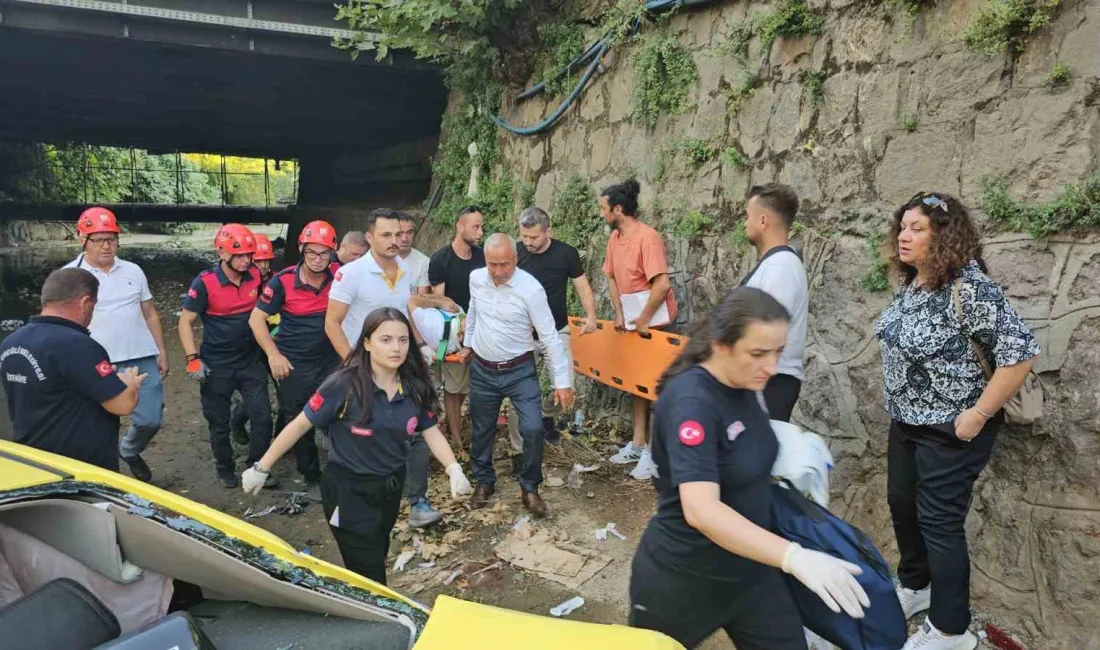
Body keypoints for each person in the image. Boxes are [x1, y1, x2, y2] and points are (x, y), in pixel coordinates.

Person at [629, 287, 868, 650]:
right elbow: (701, 510)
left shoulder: (744, 381)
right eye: (758, 353)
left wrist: (792, 453)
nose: (772, 367)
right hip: (684, 577)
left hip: (751, 571)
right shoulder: (692, 401)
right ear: (721, 345)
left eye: (777, 353)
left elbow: (736, 451)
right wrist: (794, 557)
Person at [875, 193, 1039, 650]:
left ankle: (951, 629)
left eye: (917, 228)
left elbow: (1019, 354)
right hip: (906, 422)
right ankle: (916, 586)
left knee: (939, 523)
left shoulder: (971, 287)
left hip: (954, 429)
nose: (904, 236)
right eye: (902, 226)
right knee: (901, 503)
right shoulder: (914, 283)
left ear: (943, 236)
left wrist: (978, 415)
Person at [241, 308, 473, 584]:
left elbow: (430, 430)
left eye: (403, 340)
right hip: (348, 490)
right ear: (366, 343)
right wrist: (262, 466)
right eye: (385, 340)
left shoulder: (413, 386)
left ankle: (372, 603)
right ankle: (376, 614)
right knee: (368, 567)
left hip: (390, 485)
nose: (396, 348)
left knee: (379, 548)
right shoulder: (344, 385)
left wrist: (453, 468)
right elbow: (301, 424)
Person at [327, 208, 441, 528]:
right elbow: (332, 324)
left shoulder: (404, 268)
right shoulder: (351, 274)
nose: (395, 241)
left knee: (415, 429)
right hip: (362, 371)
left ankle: (417, 501)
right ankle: (352, 502)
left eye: (398, 234)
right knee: (362, 433)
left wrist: (419, 349)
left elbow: (407, 313)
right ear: (369, 237)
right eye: (386, 235)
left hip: (399, 366)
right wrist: (353, 365)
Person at [460, 234, 574, 518]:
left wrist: (562, 382)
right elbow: (474, 311)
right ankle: (484, 481)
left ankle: (530, 487)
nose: (498, 272)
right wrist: (468, 344)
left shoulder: (530, 289)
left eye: (505, 265)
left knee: (533, 428)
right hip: (483, 370)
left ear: (516, 259)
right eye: (492, 264)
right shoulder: (476, 278)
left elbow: (549, 337)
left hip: (520, 370)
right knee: (482, 429)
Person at [1, 268, 146, 471]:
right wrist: (129, 383)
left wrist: (97, 378)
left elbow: (53, 386)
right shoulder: (78, 345)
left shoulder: (12, 342)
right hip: (81, 467)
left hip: (33, 460)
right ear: (85, 303)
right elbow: (122, 404)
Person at [62, 207, 168, 481]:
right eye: (98, 240)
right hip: (96, 362)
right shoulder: (69, 277)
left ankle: (130, 450)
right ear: (82, 240)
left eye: (112, 239)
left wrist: (161, 351)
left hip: (141, 356)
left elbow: (150, 313)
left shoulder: (133, 270)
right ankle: (108, 479)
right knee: (100, 426)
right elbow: (61, 324)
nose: (107, 246)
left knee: (150, 419)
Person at [251, 220, 340, 503]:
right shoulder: (283, 281)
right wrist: (273, 355)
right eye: (312, 253)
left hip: (330, 360)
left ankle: (342, 471)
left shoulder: (339, 275)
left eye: (324, 253)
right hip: (295, 364)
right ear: (301, 249)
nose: (318, 259)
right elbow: (256, 319)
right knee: (299, 419)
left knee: (341, 414)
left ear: (332, 254)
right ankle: (311, 475)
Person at [179, 224, 274, 489]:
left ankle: (257, 466)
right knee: (218, 422)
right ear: (222, 252)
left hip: (250, 361)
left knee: (263, 417)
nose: (247, 261)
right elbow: (185, 322)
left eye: (250, 255)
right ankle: (224, 467)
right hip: (217, 364)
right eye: (240, 255)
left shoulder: (256, 275)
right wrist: (192, 358)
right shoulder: (206, 283)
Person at [600, 178, 677, 480]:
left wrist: (643, 319)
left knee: (657, 387)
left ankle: (654, 455)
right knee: (637, 385)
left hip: (654, 322)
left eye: (604, 209)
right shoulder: (614, 239)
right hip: (633, 319)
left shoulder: (648, 238)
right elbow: (611, 277)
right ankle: (637, 444)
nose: (601, 214)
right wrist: (621, 314)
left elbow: (662, 284)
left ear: (618, 209)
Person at [507, 206, 598, 459]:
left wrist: (591, 315)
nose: (528, 243)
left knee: (564, 389)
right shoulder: (515, 253)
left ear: (549, 231)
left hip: (557, 331)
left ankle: (545, 416)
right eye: (524, 237)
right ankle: (521, 451)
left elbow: (582, 286)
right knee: (519, 394)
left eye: (533, 237)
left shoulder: (566, 253)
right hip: (522, 334)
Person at [741, 184, 809, 422]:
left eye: (747, 216)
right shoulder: (775, 264)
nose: (744, 223)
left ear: (762, 221)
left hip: (770, 384)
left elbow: (766, 333)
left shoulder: (781, 267)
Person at [428, 206, 486, 448]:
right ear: (459, 227)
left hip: (481, 332)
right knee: (453, 387)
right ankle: (457, 439)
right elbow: (439, 302)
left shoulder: (482, 257)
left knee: (465, 387)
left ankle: (455, 428)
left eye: (482, 226)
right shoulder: (441, 259)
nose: (481, 232)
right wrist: (459, 322)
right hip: (453, 334)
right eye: (476, 226)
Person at [396, 211, 431, 295]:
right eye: (399, 233)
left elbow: (421, 298)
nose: (404, 238)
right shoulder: (380, 259)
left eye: (409, 233)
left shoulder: (424, 262)